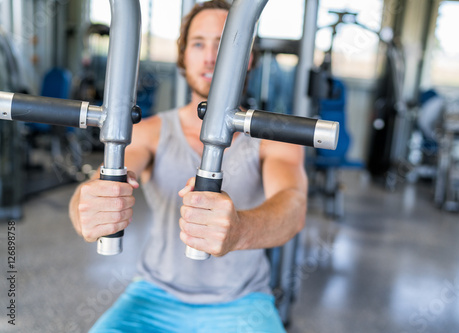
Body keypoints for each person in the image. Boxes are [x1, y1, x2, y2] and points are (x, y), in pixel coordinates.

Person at [69, 1, 307, 332]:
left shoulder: (275, 137)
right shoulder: (150, 131)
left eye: (225, 43)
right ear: (183, 57)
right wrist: (88, 205)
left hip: (242, 301)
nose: (211, 57)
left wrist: (238, 230)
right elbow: (100, 182)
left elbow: (293, 207)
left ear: (248, 57)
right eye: (198, 44)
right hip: (153, 295)